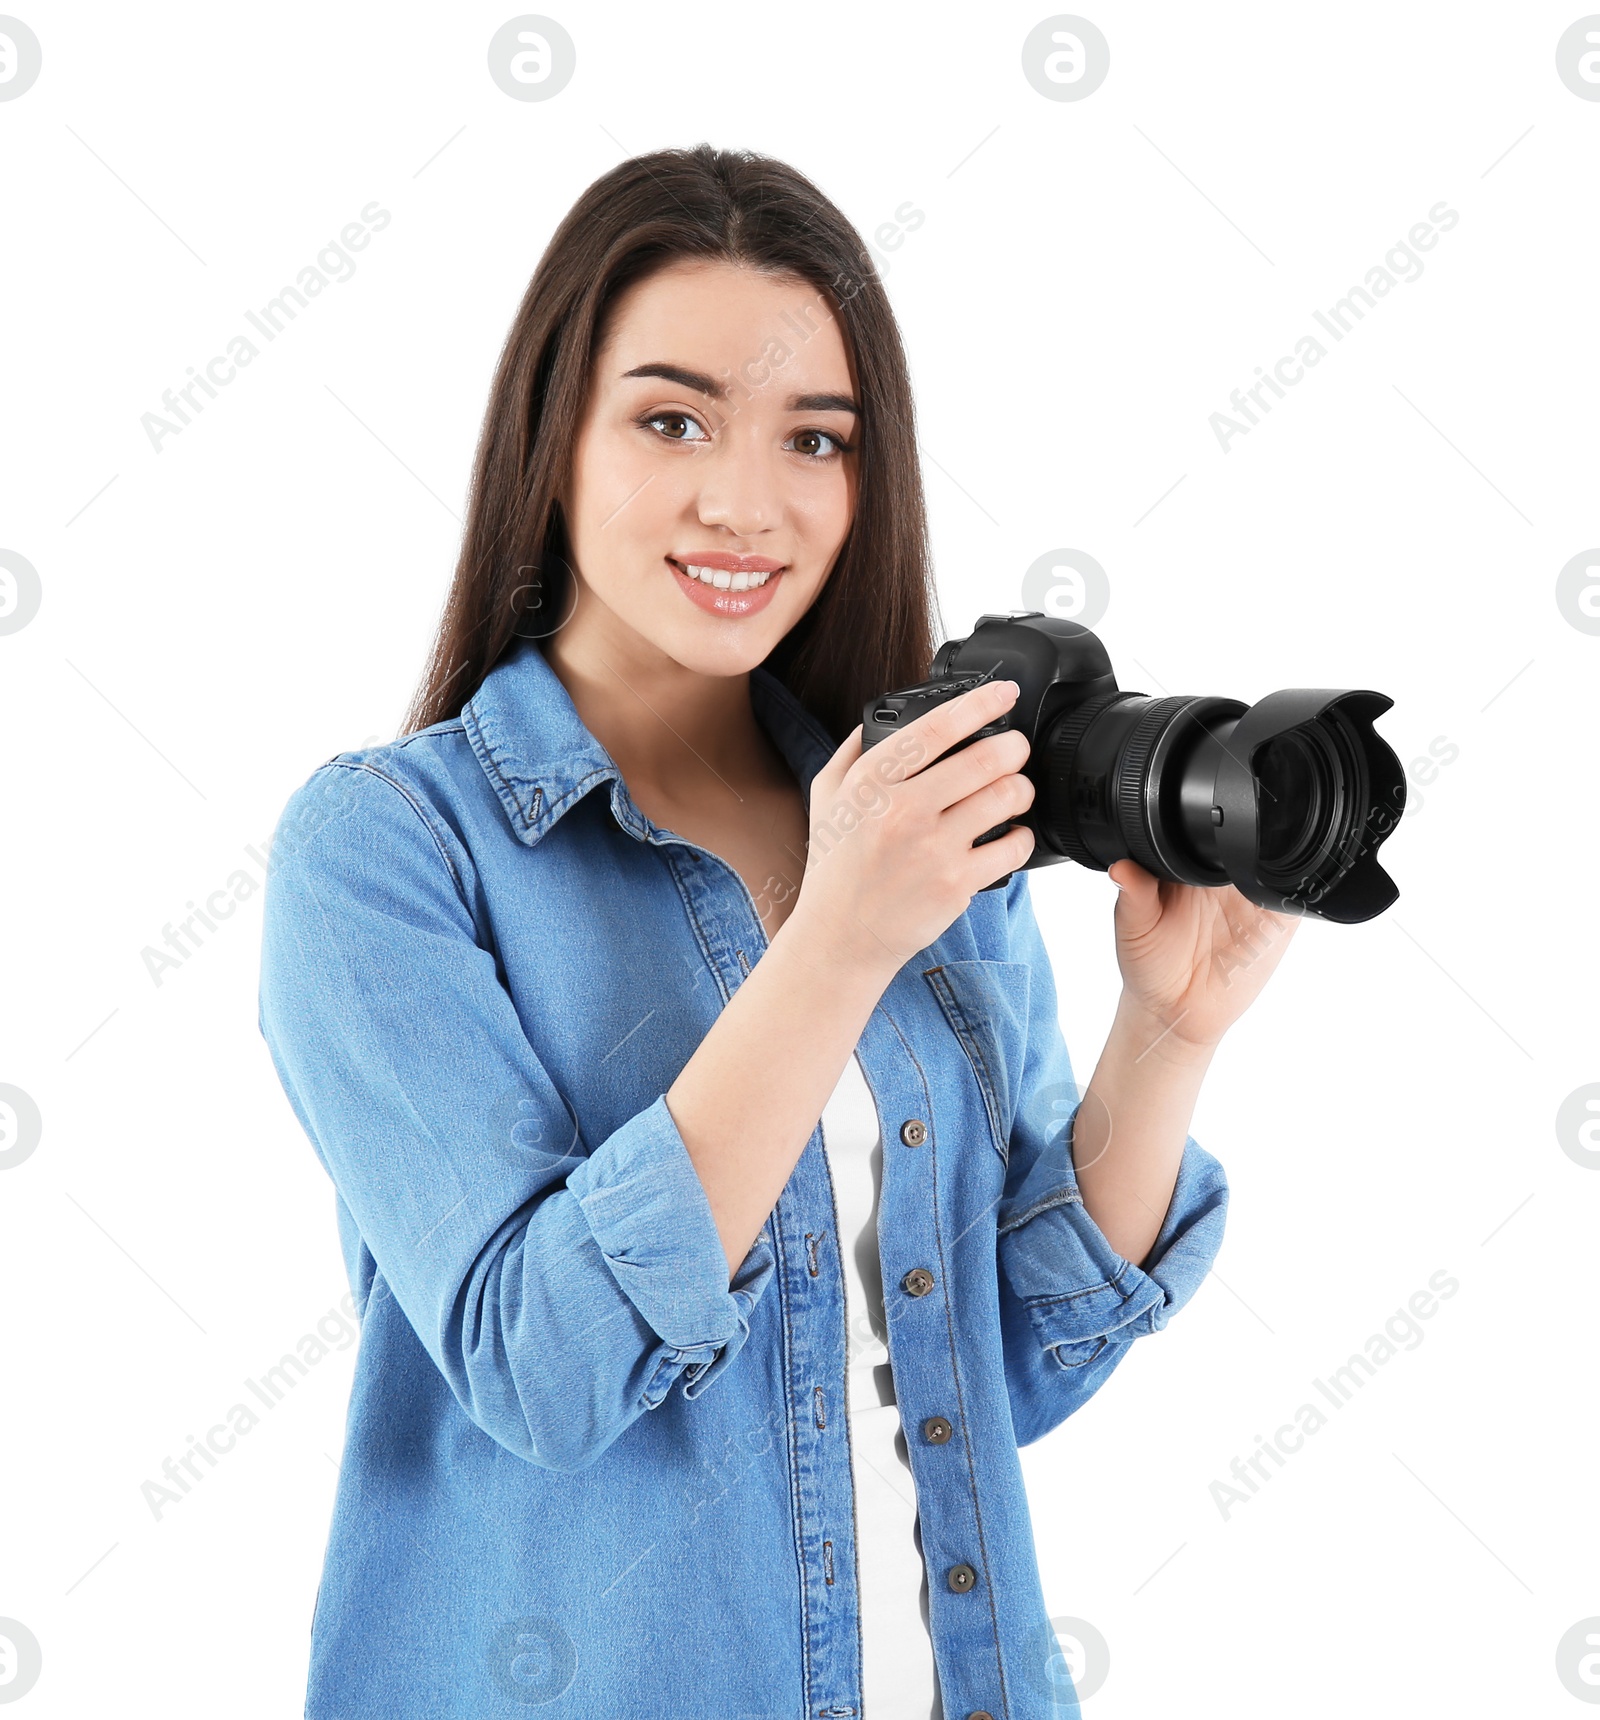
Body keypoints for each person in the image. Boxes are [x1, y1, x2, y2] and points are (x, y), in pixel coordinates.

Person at [257, 144, 1298, 1720]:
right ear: (553, 443)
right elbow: (544, 1366)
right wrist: (835, 942)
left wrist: (1167, 1034)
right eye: (673, 420)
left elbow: (998, 1373)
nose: (748, 502)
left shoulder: (919, 825)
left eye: (816, 440)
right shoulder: (390, 852)